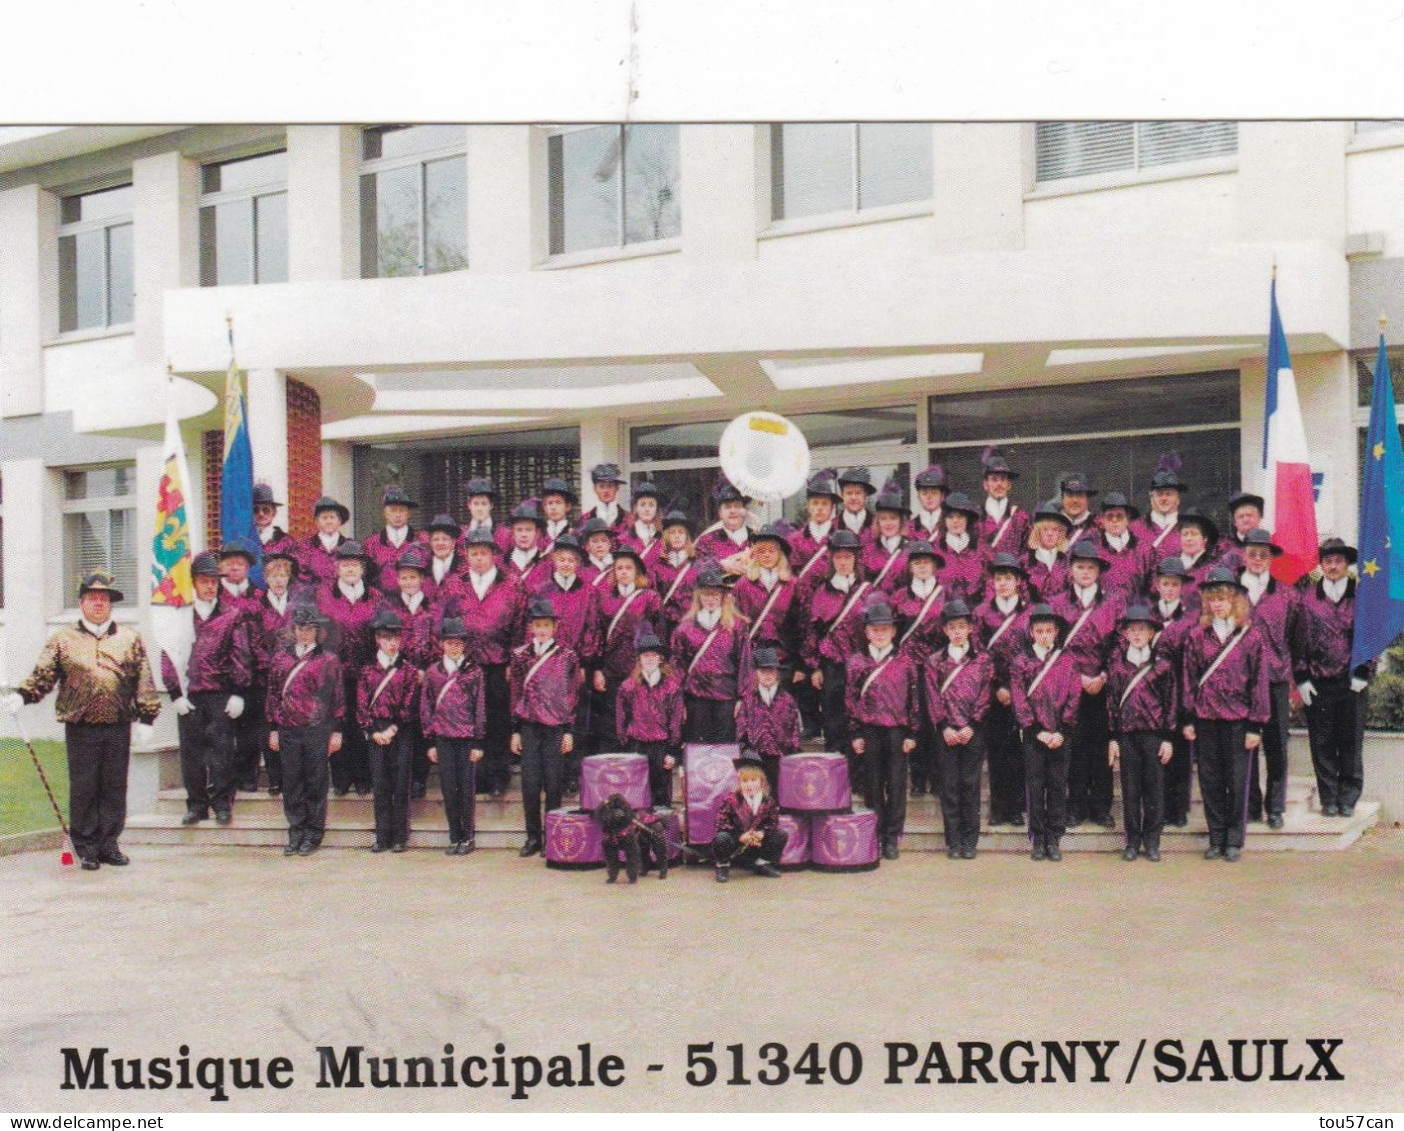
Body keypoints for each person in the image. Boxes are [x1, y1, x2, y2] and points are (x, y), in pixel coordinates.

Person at [7, 571, 160, 870]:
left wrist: (147, 718)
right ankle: (87, 847)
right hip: (81, 726)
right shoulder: (63, 640)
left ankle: (109, 844)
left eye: (104, 599)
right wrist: (23, 696)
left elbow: (143, 680)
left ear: (111, 604)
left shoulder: (130, 639)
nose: (99, 604)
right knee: (85, 787)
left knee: (114, 786)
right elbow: (44, 675)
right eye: (93, 598)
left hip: (118, 724)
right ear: (81, 603)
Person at [1182, 568, 1270, 861]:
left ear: (1235, 600)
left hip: (1237, 719)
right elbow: (1189, 678)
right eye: (1213, 599)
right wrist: (1188, 718)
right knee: (1211, 781)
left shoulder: (1250, 637)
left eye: (1224, 598)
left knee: (1237, 780)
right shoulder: (1196, 636)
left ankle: (1234, 839)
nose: (1218, 603)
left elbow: (1259, 681)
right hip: (1206, 717)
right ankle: (1216, 836)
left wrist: (1255, 725)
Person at [165, 550, 255, 827]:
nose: (209, 587)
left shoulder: (231, 615)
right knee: (192, 754)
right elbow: (168, 653)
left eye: (214, 582)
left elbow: (241, 654)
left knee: (222, 752)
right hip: (190, 695)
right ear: (193, 582)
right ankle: (196, 805)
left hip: (219, 692)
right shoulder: (180, 616)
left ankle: (222, 804)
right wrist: (175, 693)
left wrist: (239, 691)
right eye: (204, 581)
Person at [443, 527, 527, 797]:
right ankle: (474, 777)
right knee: (468, 721)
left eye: (483, 553)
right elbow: (444, 621)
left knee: (497, 720)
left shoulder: (512, 583)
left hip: (498, 664)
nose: (478, 558)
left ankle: (498, 776)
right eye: (473, 553)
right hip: (465, 664)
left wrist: (513, 662)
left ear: (494, 554)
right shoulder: (455, 584)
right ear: (466, 555)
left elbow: (520, 624)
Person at [1291, 538, 1370, 819]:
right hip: (1319, 682)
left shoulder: (1359, 595)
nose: (1333, 565)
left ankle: (1348, 797)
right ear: (1321, 565)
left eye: (1338, 560)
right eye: (1328, 561)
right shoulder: (1308, 598)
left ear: (1346, 564)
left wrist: (1363, 670)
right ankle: (1329, 798)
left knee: (1350, 741)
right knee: (1322, 742)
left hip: (1351, 682)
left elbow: (1367, 636)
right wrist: (1301, 676)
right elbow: (1298, 639)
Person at [1050, 541, 1123, 829]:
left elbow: (1119, 642)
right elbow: (1054, 645)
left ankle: (1101, 807)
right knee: (1074, 747)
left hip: (1103, 686)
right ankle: (1075, 806)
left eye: (1090, 567)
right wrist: (1076, 677)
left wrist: (1104, 674)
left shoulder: (1114, 602)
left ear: (1099, 571)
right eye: (1079, 566)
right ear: (1070, 570)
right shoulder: (1058, 603)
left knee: (1101, 746)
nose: (1084, 572)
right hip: (1071, 685)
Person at [265, 604, 345, 857]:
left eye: (310, 629)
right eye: (301, 628)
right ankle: (296, 830)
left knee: (316, 781)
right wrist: (273, 728)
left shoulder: (328, 659)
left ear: (317, 631)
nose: (305, 633)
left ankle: (314, 832)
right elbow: (273, 694)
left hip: (316, 728)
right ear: (294, 629)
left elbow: (337, 697)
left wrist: (337, 730)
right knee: (291, 781)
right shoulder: (281, 658)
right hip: (288, 727)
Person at [845, 597, 918, 860]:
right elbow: (851, 699)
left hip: (897, 730)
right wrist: (855, 733)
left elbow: (914, 699)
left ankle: (892, 837)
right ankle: (876, 833)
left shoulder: (905, 661)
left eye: (884, 629)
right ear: (866, 632)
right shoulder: (856, 662)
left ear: (893, 631)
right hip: (870, 730)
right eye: (874, 629)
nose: (879, 634)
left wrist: (912, 732)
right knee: (873, 784)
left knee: (897, 784)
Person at [1010, 604, 1082, 862]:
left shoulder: (1068, 661)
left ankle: (1055, 838)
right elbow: (1019, 698)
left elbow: (1074, 696)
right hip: (1034, 735)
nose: (1044, 635)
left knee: (1057, 785)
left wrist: (1062, 730)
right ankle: (1038, 838)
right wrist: (1035, 730)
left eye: (1048, 631)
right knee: (1036, 786)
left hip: (1060, 735)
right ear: (1031, 632)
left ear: (1056, 632)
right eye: (1039, 630)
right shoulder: (1021, 661)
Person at [1107, 603, 1177, 862]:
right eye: (1132, 630)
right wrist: (1113, 737)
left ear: (1151, 633)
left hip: (1153, 735)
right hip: (1126, 736)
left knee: (1154, 790)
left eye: (1142, 630)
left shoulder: (1162, 667)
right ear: (1125, 634)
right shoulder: (1117, 668)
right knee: (1130, 790)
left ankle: (1152, 840)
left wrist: (1168, 738)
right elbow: (1112, 704)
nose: (1137, 634)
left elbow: (1171, 703)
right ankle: (1132, 841)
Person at [510, 597, 580, 857]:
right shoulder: (520, 655)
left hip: (555, 727)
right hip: (529, 726)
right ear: (531, 627)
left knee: (553, 784)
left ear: (554, 627)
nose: (541, 630)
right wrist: (515, 729)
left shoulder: (567, 657)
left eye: (546, 625)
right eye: (537, 625)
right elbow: (515, 692)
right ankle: (532, 837)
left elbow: (572, 695)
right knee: (530, 784)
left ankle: (553, 836)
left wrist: (569, 730)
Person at [1237, 529, 1298, 828]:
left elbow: (1296, 638)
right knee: (1245, 744)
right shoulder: (1230, 592)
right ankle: (1250, 806)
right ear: (1243, 555)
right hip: (1239, 680)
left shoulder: (1287, 594)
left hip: (1274, 679)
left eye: (1263, 554)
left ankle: (1275, 806)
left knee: (1276, 745)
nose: (1258, 559)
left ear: (1271, 558)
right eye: (1252, 553)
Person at [925, 599, 993, 859]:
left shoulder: (983, 660)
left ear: (970, 629)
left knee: (970, 785)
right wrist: (944, 726)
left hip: (972, 732)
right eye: (952, 627)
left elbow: (984, 695)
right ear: (944, 630)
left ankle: (969, 841)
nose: (956, 631)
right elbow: (932, 696)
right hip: (946, 734)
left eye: (961, 626)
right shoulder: (934, 661)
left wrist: (972, 725)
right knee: (950, 787)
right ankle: (953, 841)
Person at [584, 545, 662, 757]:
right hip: (611, 671)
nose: (624, 572)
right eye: (619, 568)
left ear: (636, 571)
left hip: (640, 672)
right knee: (611, 722)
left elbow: (659, 633)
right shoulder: (602, 596)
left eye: (628, 567)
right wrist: (597, 668)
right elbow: (595, 632)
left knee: (638, 720)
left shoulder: (650, 598)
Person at [973, 553, 1032, 826]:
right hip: (993, 693)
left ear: (1019, 581)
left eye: (1009, 578)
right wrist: (997, 685)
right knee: (996, 751)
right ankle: (998, 808)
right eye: (999, 578)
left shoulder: (1029, 613)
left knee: (1018, 751)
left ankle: (1016, 808)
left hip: (1022, 691)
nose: (1004, 583)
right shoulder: (982, 613)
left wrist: (1015, 687)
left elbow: (1032, 654)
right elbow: (978, 653)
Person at [317, 540, 380, 797]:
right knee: (337, 723)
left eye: (355, 564)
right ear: (337, 567)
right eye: (345, 564)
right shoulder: (324, 595)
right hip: (335, 674)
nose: (350, 569)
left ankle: (364, 777)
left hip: (366, 672)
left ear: (363, 568)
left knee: (362, 724)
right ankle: (341, 778)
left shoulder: (375, 597)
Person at [801, 530, 871, 754]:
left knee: (860, 721)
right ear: (832, 559)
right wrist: (814, 667)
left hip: (861, 667)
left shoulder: (867, 591)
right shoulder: (822, 592)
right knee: (833, 720)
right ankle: (837, 774)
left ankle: (859, 777)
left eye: (847, 557)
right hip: (832, 667)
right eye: (838, 557)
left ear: (855, 559)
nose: (843, 562)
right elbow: (812, 632)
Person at [357, 609, 421, 854]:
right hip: (376, 733)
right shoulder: (367, 671)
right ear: (377, 639)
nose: (391, 644)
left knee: (400, 783)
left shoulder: (408, 670)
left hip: (400, 731)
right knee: (380, 784)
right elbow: (362, 704)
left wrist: (394, 728)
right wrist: (372, 730)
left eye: (395, 639)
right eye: (386, 638)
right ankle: (382, 835)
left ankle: (400, 836)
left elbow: (409, 704)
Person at [421, 616, 485, 855]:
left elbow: (480, 706)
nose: (454, 647)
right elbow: (426, 706)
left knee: (466, 789)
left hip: (467, 737)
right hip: (443, 737)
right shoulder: (433, 673)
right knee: (448, 788)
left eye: (458, 643)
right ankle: (454, 835)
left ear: (464, 644)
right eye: (450, 642)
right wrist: (430, 740)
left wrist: (478, 740)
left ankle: (468, 836)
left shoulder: (474, 671)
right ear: (442, 644)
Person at [671, 562, 752, 744]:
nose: (711, 598)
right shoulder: (684, 629)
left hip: (726, 697)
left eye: (715, 594)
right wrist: (679, 701)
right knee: (698, 750)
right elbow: (677, 667)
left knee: (725, 749)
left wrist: (742, 698)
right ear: (698, 596)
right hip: (695, 698)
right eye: (706, 594)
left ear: (723, 596)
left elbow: (745, 662)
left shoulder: (736, 626)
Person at [891, 539, 947, 796]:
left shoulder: (946, 594)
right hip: (909, 667)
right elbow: (894, 633)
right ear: (910, 567)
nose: (922, 567)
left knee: (936, 722)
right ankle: (917, 778)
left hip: (938, 668)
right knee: (914, 723)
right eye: (917, 562)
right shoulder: (900, 597)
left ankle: (937, 777)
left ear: (935, 566)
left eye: (927, 562)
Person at [216, 537, 267, 793]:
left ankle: (248, 776)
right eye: (230, 563)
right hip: (221, 675)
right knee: (221, 731)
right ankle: (223, 779)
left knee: (250, 730)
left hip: (253, 674)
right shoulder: (213, 597)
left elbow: (265, 633)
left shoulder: (259, 596)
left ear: (248, 567)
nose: (235, 568)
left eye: (240, 563)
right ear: (221, 566)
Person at [1151, 557, 1197, 827]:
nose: (1169, 589)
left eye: (1174, 584)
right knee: (1156, 751)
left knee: (1179, 752)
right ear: (1157, 585)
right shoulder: (1147, 615)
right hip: (1152, 693)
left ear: (1182, 587)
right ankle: (1157, 807)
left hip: (1181, 691)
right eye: (1165, 584)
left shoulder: (1190, 619)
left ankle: (1178, 809)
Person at [614, 629, 683, 807]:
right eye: (646, 655)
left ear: (661, 659)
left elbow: (676, 720)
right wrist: (626, 747)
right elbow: (621, 719)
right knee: (636, 797)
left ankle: (661, 835)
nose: (650, 659)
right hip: (636, 746)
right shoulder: (628, 687)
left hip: (661, 747)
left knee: (661, 800)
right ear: (639, 659)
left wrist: (673, 752)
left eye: (654, 655)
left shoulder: (671, 687)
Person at [253, 547, 300, 796]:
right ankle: (274, 777)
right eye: (273, 576)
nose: (278, 580)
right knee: (269, 725)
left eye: (283, 575)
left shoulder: (297, 604)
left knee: (290, 723)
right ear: (266, 579)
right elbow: (253, 641)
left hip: (294, 675)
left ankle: (292, 775)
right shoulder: (258, 606)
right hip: (267, 674)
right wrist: (271, 664)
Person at [733, 525, 801, 693]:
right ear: (755, 553)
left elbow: (802, 626)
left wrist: (801, 666)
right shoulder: (743, 584)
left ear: (780, 553)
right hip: (754, 659)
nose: (767, 555)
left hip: (784, 660)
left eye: (772, 550)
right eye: (762, 551)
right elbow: (735, 624)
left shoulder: (792, 584)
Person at [711, 750, 788, 882]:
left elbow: (772, 821)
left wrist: (762, 833)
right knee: (721, 838)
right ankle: (723, 865)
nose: (749, 785)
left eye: (754, 780)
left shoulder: (768, 801)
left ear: (762, 781)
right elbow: (721, 822)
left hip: (756, 843)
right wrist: (739, 835)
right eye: (745, 781)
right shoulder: (731, 799)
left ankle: (762, 863)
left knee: (781, 834)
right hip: (737, 843)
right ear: (739, 781)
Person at [734, 646, 802, 795]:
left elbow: (794, 730)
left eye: (771, 671)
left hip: (781, 758)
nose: (767, 675)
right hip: (756, 758)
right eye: (763, 671)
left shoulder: (787, 699)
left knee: (780, 796)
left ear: (777, 673)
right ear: (756, 674)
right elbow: (741, 728)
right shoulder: (749, 699)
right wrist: (746, 751)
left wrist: (792, 755)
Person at [363, 485, 428, 597]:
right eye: (393, 510)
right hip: (381, 606)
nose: (398, 515)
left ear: (408, 514)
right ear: (384, 513)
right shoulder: (371, 544)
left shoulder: (423, 540)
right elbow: (364, 579)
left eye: (402, 510)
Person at [1093, 491, 1154, 605]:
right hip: (1104, 616)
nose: (1114, 520)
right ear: (1102, 520)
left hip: (1136, 617)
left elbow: (1153, 587)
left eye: (1119, 516)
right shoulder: (1094, 550)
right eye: (1110, 516)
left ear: (1128, 519)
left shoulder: (1144, 550)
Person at [935, 491, 990, 603]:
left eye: (960, 516)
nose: (955, 521)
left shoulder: (981, 550)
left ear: (967, 519)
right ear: (944, 520)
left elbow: (990, 585)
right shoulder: (935, 551)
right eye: (950, 517)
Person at [789, 471, 841, 589]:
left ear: (832, 507)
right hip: (801, 601)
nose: (819, 508)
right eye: (815, 503)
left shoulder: (841, 538)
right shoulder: (794, 540)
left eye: (824, 503)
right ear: (808, 506)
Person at [1130, 453, 1187, 558]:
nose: (1164, 498)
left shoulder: (1189, 529)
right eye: (1159, 494)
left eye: (1168, 494)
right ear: (1151, 498)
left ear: (1178, 499)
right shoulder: (1135, 529)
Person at [861, 481, 912, 594]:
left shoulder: (911, 550)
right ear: (877, 522)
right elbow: (862, 586)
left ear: (901, 521)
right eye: (883, 518)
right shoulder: (867, 551)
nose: (888, 523)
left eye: (893, 518)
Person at [977, 448, 1030, 554]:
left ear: (1009, 484)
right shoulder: (975, 516)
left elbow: (1027, 554)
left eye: (1003, 479)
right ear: (985, 485)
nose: (999, 484)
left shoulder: (1020, 517)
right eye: (994, 479)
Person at [693, 478, 753, 574]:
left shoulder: (758, 539)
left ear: (744, 511)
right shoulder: (706, 541)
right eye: (727, 507)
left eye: (737, 506)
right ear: (720, 513)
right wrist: (721, 565)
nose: (732, 511)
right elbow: (696, 567)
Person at [1023, 500, 1072, 602]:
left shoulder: (1068, 562)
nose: (1050, 534)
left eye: (1054, 530)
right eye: (1045, 529)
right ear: (1037, 532)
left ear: (1060, 534)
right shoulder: (1025, 562)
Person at [299, 496, 352, 587]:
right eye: (324, 518)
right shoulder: (306, 546)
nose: (329, 521)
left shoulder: (350, 546)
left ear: (339, 521)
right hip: (315, 598)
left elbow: (356, 576)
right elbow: (301, 579)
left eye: (332, 517)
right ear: (317, 521)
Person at [617, 479, 664, 573]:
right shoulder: (623, 539)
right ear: (636, 508)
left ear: (656, 509)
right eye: (642, 505)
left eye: (651, 505)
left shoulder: (664, 538)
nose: (647, 509)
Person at [503, 501, 552, 591]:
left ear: (537, 533)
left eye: (528, 530)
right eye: (519, 530)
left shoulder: (547, 563)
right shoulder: (503, 564)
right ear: (513, 533)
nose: (523, 535)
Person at [460, 476, 512, 559]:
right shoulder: (461, 535)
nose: (480, 508)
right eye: (476, 504)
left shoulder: (505, 534)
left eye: (484, 504)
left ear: (491, 506)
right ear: (469, 505)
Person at [421, 514, 466, 606]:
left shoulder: (465, 567)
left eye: (445, 539)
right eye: (436, 539)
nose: (440, 543)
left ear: (453, 543)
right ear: (430, 543)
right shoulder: (422, 567)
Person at [577, 463, 631, 540]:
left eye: (610, 486)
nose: (606, 491)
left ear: (617, 488)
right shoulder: (586, 519)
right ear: (595, 489)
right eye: (601, 486)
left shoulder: (629, 518)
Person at [252, 482, 299, 565]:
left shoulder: (287, 542)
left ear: (274, 512)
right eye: (256, 510)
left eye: (266, 510)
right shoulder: (245, 539)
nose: (261, 514)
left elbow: (294, 571)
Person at [1217, 490, 1265, 568]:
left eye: (1249, 515)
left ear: (1259, 517)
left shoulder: (1272, 549)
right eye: (1241, 516)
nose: (1245, 520)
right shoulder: (1225, 555)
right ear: (1234, 522)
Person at [907, 464, 948, 541]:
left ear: (942, 496)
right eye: (924, 493)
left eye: (934, 492)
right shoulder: (908, 527)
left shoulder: (952, 524)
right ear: (919, 497)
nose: (929, 497)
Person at [538, 476, 577, 556]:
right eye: (550, 503)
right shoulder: (539, 534)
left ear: (567, 506)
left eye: (558, 502)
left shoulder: (575, 534)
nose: (553, 507)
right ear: (544, 507)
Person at [1058, 472, 1100, 546]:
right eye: (1070, 495)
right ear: (1062, 499)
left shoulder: (1099, 528)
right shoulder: (1050, 526)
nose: (1075, 500)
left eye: (1080, 495)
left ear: (1087, 499)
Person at [836, 467, 876, 538]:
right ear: (842, 496)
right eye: (849, 493)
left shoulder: (878, 525)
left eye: (858, 493)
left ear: (865, 496)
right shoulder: (832, 527)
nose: (853, 497)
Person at [579, 517, 617, 590]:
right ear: (587, 545)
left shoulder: (617, 565)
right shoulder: (581, 569)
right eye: (595, 541)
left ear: (609, 543)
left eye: (604, 540)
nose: (600, 545)